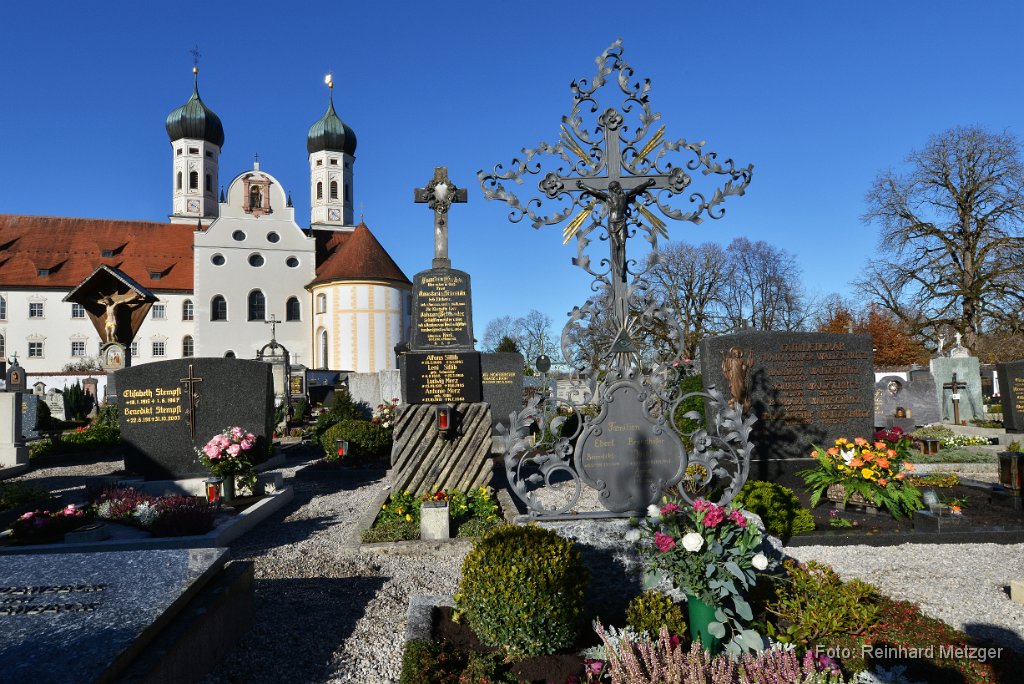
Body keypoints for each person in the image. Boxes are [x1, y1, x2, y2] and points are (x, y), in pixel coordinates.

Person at [576, 178, 655, 279]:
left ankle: (622, 268)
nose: (617, 189)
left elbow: (636, 189)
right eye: (614, 188)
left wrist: (647, 183)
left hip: (622, 221)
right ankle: (617, 266)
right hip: (613, 223)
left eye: (617, 187)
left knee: (622, 244)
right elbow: (596, 191)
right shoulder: (608, 197)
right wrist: (583, 186)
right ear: (612, 189)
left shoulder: (624, 196)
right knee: (616, 245)